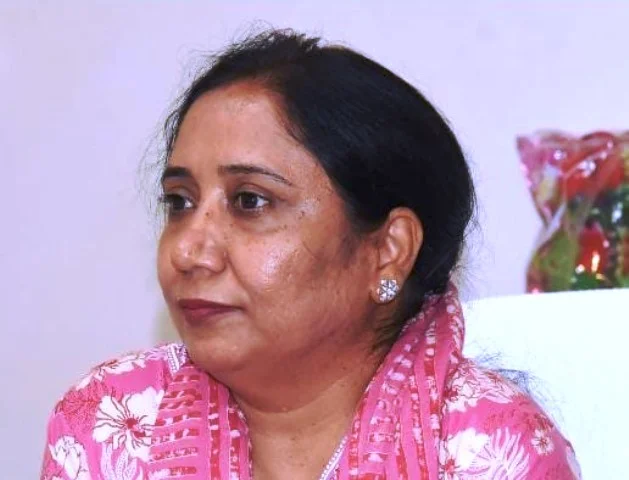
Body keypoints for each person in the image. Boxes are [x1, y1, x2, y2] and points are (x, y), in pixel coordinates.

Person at [41, 29, 580, 480]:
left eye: (250, 201)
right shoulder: (109, 422)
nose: (188, 250)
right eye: (179, 202)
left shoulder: (491, 453)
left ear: (388, 251)